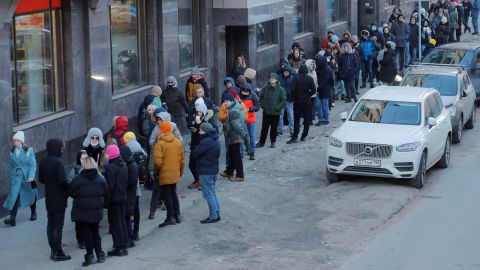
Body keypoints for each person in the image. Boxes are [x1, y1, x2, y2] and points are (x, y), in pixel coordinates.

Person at [69, 157, 108, 267]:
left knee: (87, 234)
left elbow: (71, 192)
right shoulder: (100, 179)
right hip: (96, 211)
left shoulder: (78, 179)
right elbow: (106, 192)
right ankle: (100, 254)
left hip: (83, 211)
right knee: (96, 233)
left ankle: (90, 256)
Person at [38, 138, 71, 261]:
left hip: (49, 197)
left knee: (51, 224)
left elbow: (41, 179)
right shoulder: (58, 162)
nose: (62, 150)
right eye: (61, 147)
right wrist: (70, 186)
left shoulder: (44, 162)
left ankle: (53, 250)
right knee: (58, 225)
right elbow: (63, 181)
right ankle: (58, 252)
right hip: (59, 197)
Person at [154, 122, 185, 227]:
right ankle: (177, 215)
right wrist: (180, 172)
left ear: (161, 130)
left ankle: (170, 217)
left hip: (164, 174)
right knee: (173, 194)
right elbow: (182, 161)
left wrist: (158, 171)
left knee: (167, 195)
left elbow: (158, 163)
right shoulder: (177, 142)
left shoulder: (159, 144)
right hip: (175, 173)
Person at [3, 131, 37, 227]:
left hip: (27, 177)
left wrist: (31, 176)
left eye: (17, 140)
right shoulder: (12, 151)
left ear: (21, 141)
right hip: (16, 177)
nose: (15, 142)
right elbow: (11, 166)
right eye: (14, 140)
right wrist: (12, 176)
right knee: (14, 196)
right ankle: (12, 217)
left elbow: (33, 165)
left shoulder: (28, 150)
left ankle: (33, 212)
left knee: (31, 194)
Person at [192, 123, 221, 223]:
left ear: (205, 131)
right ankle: (217, 213)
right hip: (212, 170)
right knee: (212, 193)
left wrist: (196, 147)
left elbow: (195, 153)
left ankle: (213, 216)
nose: (199, 132)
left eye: (200, 130)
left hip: (206, 172)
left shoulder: (206, 141)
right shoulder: (215, 139)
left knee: (208, 194)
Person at [104, 144, 129, 257]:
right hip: (123, 197)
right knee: (122, 221)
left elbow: (110, 186)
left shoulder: (111, 168)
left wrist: (106, 201)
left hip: (114, 199)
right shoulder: (123, 165)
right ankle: (124, 245)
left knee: (115, 223)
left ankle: (118, 247)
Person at [220, 94, 249, 181]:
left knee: (236, 156)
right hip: (235, 135)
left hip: (234, 136)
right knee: (232, 155)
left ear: (231, 101)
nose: (225, 103)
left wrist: (244, 136)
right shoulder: (238, 107)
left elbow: (237, 126)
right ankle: (229, 171)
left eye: (227, 101)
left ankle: (240, 175)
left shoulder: (233, 111)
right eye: (224, 101)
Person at [287, 64, 316, 144]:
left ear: (299, 70)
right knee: (307, 120)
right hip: (307, 101)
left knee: (297, 120)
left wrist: (295, 95)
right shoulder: (310, 78)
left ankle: (295, 136)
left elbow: (292, 90)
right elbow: (314, 90)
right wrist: (308, 95)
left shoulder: (296, 77)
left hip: (298, 101)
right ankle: (304, 136)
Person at [257, 74, 286, 148]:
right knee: (264, 128)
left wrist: (278, 107)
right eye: (270, 78)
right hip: (266, 112)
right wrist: (263, 106)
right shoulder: (266, 88)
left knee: (274, 128)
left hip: (275, 113)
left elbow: (283, 100)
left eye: (273, 78)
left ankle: (273, 142)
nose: (271, 80)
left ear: (276, 80)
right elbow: (261, 97)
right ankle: (261, 142)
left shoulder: (280, 89)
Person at [68, 150, 89, 249]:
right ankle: (81, 240)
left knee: (88, 220)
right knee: (79, 221)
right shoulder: (75, 170)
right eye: (82, 158)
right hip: (79, 200)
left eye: (85, 158)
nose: (84, 160)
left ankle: (88, 239)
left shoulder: (91, 168)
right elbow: (70, 184)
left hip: (89, 199)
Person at [119, 146, 138, 248]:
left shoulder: (131, 166)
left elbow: (131, 182)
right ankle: (129, 239)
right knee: (127, 218)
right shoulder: (131, 164)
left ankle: (129, 240)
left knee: (126, 218)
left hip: (129, 196)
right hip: (130, 196)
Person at [239, 83, 260, 160]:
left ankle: (252, 152)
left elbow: (257, 106)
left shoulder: (253, 95)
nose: (245, 94)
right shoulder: (238, 95)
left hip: (250, 118)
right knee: (241, 136)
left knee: (252, 136)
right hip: (241, 119)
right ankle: (240, 152)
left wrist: (249, 109)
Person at [315, 56, 335, 126]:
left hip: (324, 90)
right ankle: (321, 119)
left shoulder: (327, 70)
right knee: (319, 105)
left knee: (323, 105)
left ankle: (325, 119)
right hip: (322, 89)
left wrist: (318, 89)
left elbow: (325, 81)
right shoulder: (320, 68)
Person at [277, 65, 296, 136]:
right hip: (281, 99)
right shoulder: (279, 78)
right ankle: (280, 129)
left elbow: (294, 89)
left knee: (290, 115)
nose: (286, 73)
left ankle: (292, 129)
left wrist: (292, 96)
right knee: (280, 115)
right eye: (285, 72)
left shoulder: (293, 78)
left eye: (287, 72)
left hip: (289, 99)